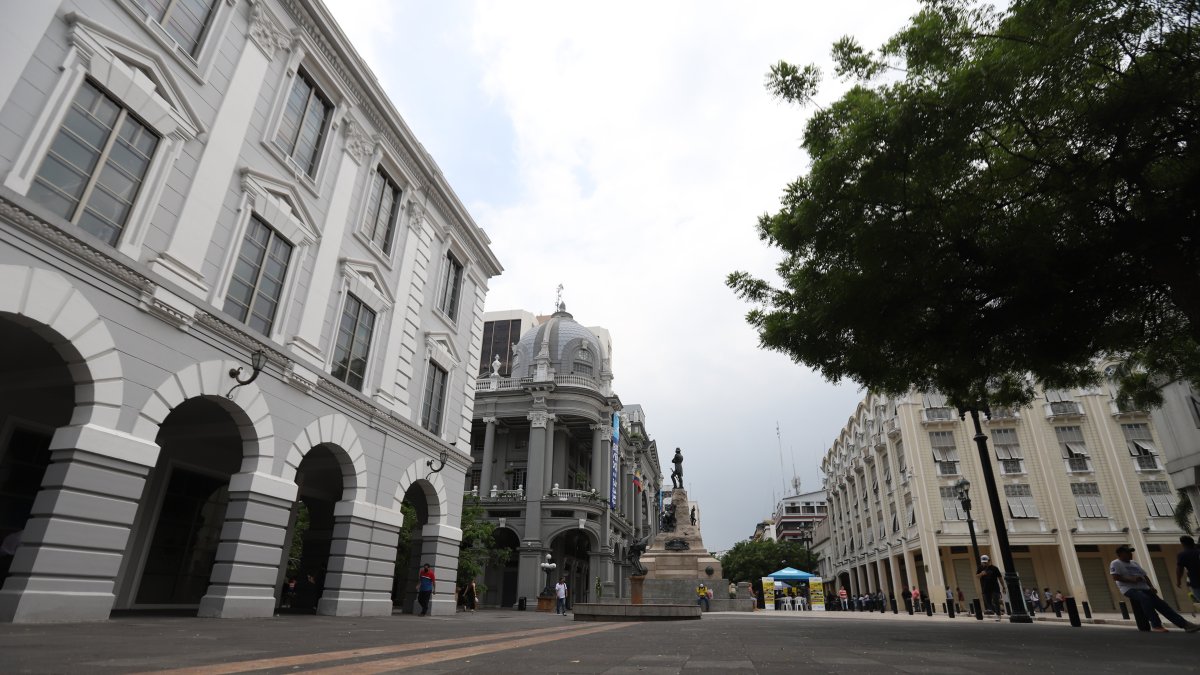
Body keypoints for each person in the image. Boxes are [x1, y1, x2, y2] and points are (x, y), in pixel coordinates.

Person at [1110, 544, 1200, 633]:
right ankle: (1156, 625)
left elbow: (1145, 576)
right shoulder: (1116, 563)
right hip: (1129, 589)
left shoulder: (1134, 563)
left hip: (1144, 588)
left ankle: (1185, 625)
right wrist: (1131, 580)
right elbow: (1115, 577)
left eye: (1131, 552)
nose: (1131, 554)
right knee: (1145, 599)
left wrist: (1151, 587)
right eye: (1128, 553)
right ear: (1120, 554)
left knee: (1163, 605)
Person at [977, 554, 1003, 621]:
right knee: (988, 602)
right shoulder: (980, 568)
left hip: (995, 587)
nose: (984, 563)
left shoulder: (994, 568)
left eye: (986, 562)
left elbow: (1000, 578)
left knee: (995, 601)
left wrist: (1003, 587)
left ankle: (998, 615)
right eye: (983, 562)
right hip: (985, 588)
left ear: (989, 561)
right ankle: (997, 611)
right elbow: (977, 576)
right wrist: (981, 574)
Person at [1176, 535, 1200, 604]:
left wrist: (1178, 581)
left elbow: (1179, 569)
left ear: (1183, 544)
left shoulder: (1183, 555)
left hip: (1197, 582)